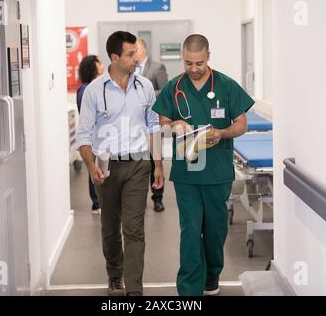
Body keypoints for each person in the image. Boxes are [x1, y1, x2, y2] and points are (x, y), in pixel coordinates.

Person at [152, 34, 254, 296]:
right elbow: (162, 124)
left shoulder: (226, 85)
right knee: (190, 230)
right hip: (187, 173)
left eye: (198, 63)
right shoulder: (173, 88)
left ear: (208, 56)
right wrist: (174, 125)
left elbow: (242, 124)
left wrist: (222, 133)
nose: (193, 69)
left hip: (217, 172)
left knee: (214, 231)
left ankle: (211, 277)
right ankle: (188, 289)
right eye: (188, 63)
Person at [76, 31, 164, 296]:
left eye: (136, 52)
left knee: (134, 229)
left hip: (138, 164)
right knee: (110, 228)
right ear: (114, 57)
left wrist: (157, 163)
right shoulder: (94, 91)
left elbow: (153, 126)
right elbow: (84, 134)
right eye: (130, 54)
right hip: (107, 165)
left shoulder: (145, 87)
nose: (136, 58)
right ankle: (115, 274)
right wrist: (92, 166)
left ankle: (134, 290)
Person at [135, 38, 169, 212]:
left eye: (136, 48)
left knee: (155, 160)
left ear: (144, 50)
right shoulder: (129, 68)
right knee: (138, 163)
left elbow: (165, 91)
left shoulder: (157, 67)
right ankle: (138, 199)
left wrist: (144, 92)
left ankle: (158, 198)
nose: (133, 52)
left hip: (153, 122)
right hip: (134, 125)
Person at [76, 55, 105, 215]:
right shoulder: (86, 89)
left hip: (100, 136)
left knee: (100, 167)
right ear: (92, 67)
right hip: (92, 136)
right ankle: (96, 203)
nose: (102, 65)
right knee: (92, 166)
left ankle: (100, 201)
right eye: (98, 63)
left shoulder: (96, 86)